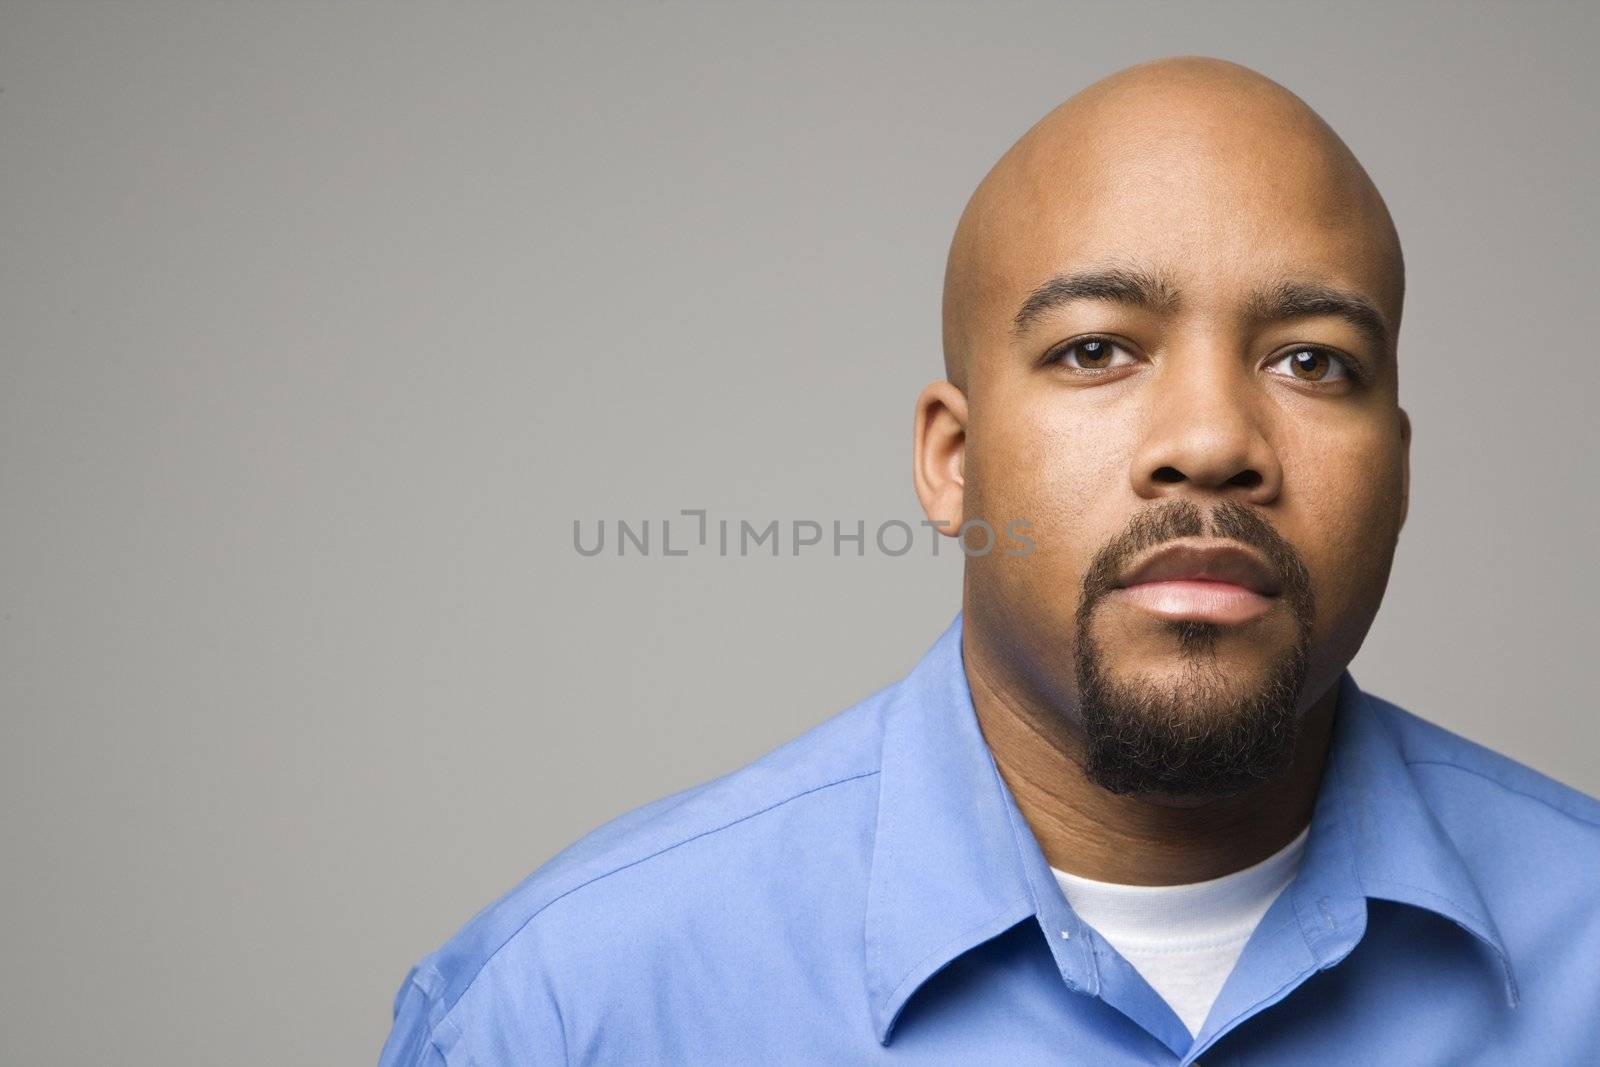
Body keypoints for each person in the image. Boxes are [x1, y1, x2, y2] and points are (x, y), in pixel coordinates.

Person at [379, 56, 1600, 1065]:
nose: (1213, 442)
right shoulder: (564, 1012)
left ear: (1397, 468)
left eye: (1311, 360)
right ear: (952, 459)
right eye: (1096, 350)